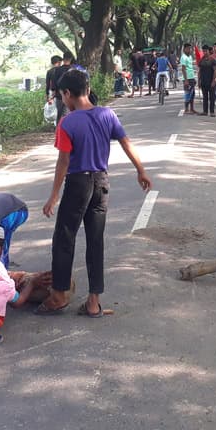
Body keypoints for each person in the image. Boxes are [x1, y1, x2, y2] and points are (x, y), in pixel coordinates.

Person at [37, 70, 151, 317]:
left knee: (64, 238)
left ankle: (58, 296)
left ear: (67, 94)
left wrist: (54, 196)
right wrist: (141, 171)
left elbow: (63, 162)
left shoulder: (67, 122)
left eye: (62, 95)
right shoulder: (107, 114)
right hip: (101, 183)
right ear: (88, 89)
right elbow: (126, 142)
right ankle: (93, 302)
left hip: (78, 184)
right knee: (95, 240)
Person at [49, 54, 75, 125]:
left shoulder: (57, 70)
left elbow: (54, 83)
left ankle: (58, 129)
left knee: (59, 113)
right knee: (66, 114)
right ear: (71, 60)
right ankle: (65, 129)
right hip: (69, 96)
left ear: (63, 59)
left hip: (59, 95)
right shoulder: (73, 70)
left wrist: (53, 92)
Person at [179, 43, 198, 115]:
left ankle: (192, 109)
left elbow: (191, 68)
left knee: (192, 93)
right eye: (188, 48)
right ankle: (186, 109)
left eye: (190, 48)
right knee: (187, 93)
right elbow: (183, 69)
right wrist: (186, 80)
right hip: (187, 78)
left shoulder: (190, 57)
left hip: (191, 77)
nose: (189, 50)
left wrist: (194, 76)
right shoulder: (183, 57)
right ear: (184, 49)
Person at [198, 46, 216, 117]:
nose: (205, 52)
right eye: (203, 51)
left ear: (209, 51)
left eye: (206, 51)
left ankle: (212, 112)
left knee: (212, 97)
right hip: (203, 81)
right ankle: (205, 111)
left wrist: (213, 81)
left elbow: (215, 71)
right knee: (205, 97)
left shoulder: (212, 60)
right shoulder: (201, 60)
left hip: (211, 81)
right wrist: (199, 80)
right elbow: (199, 71)